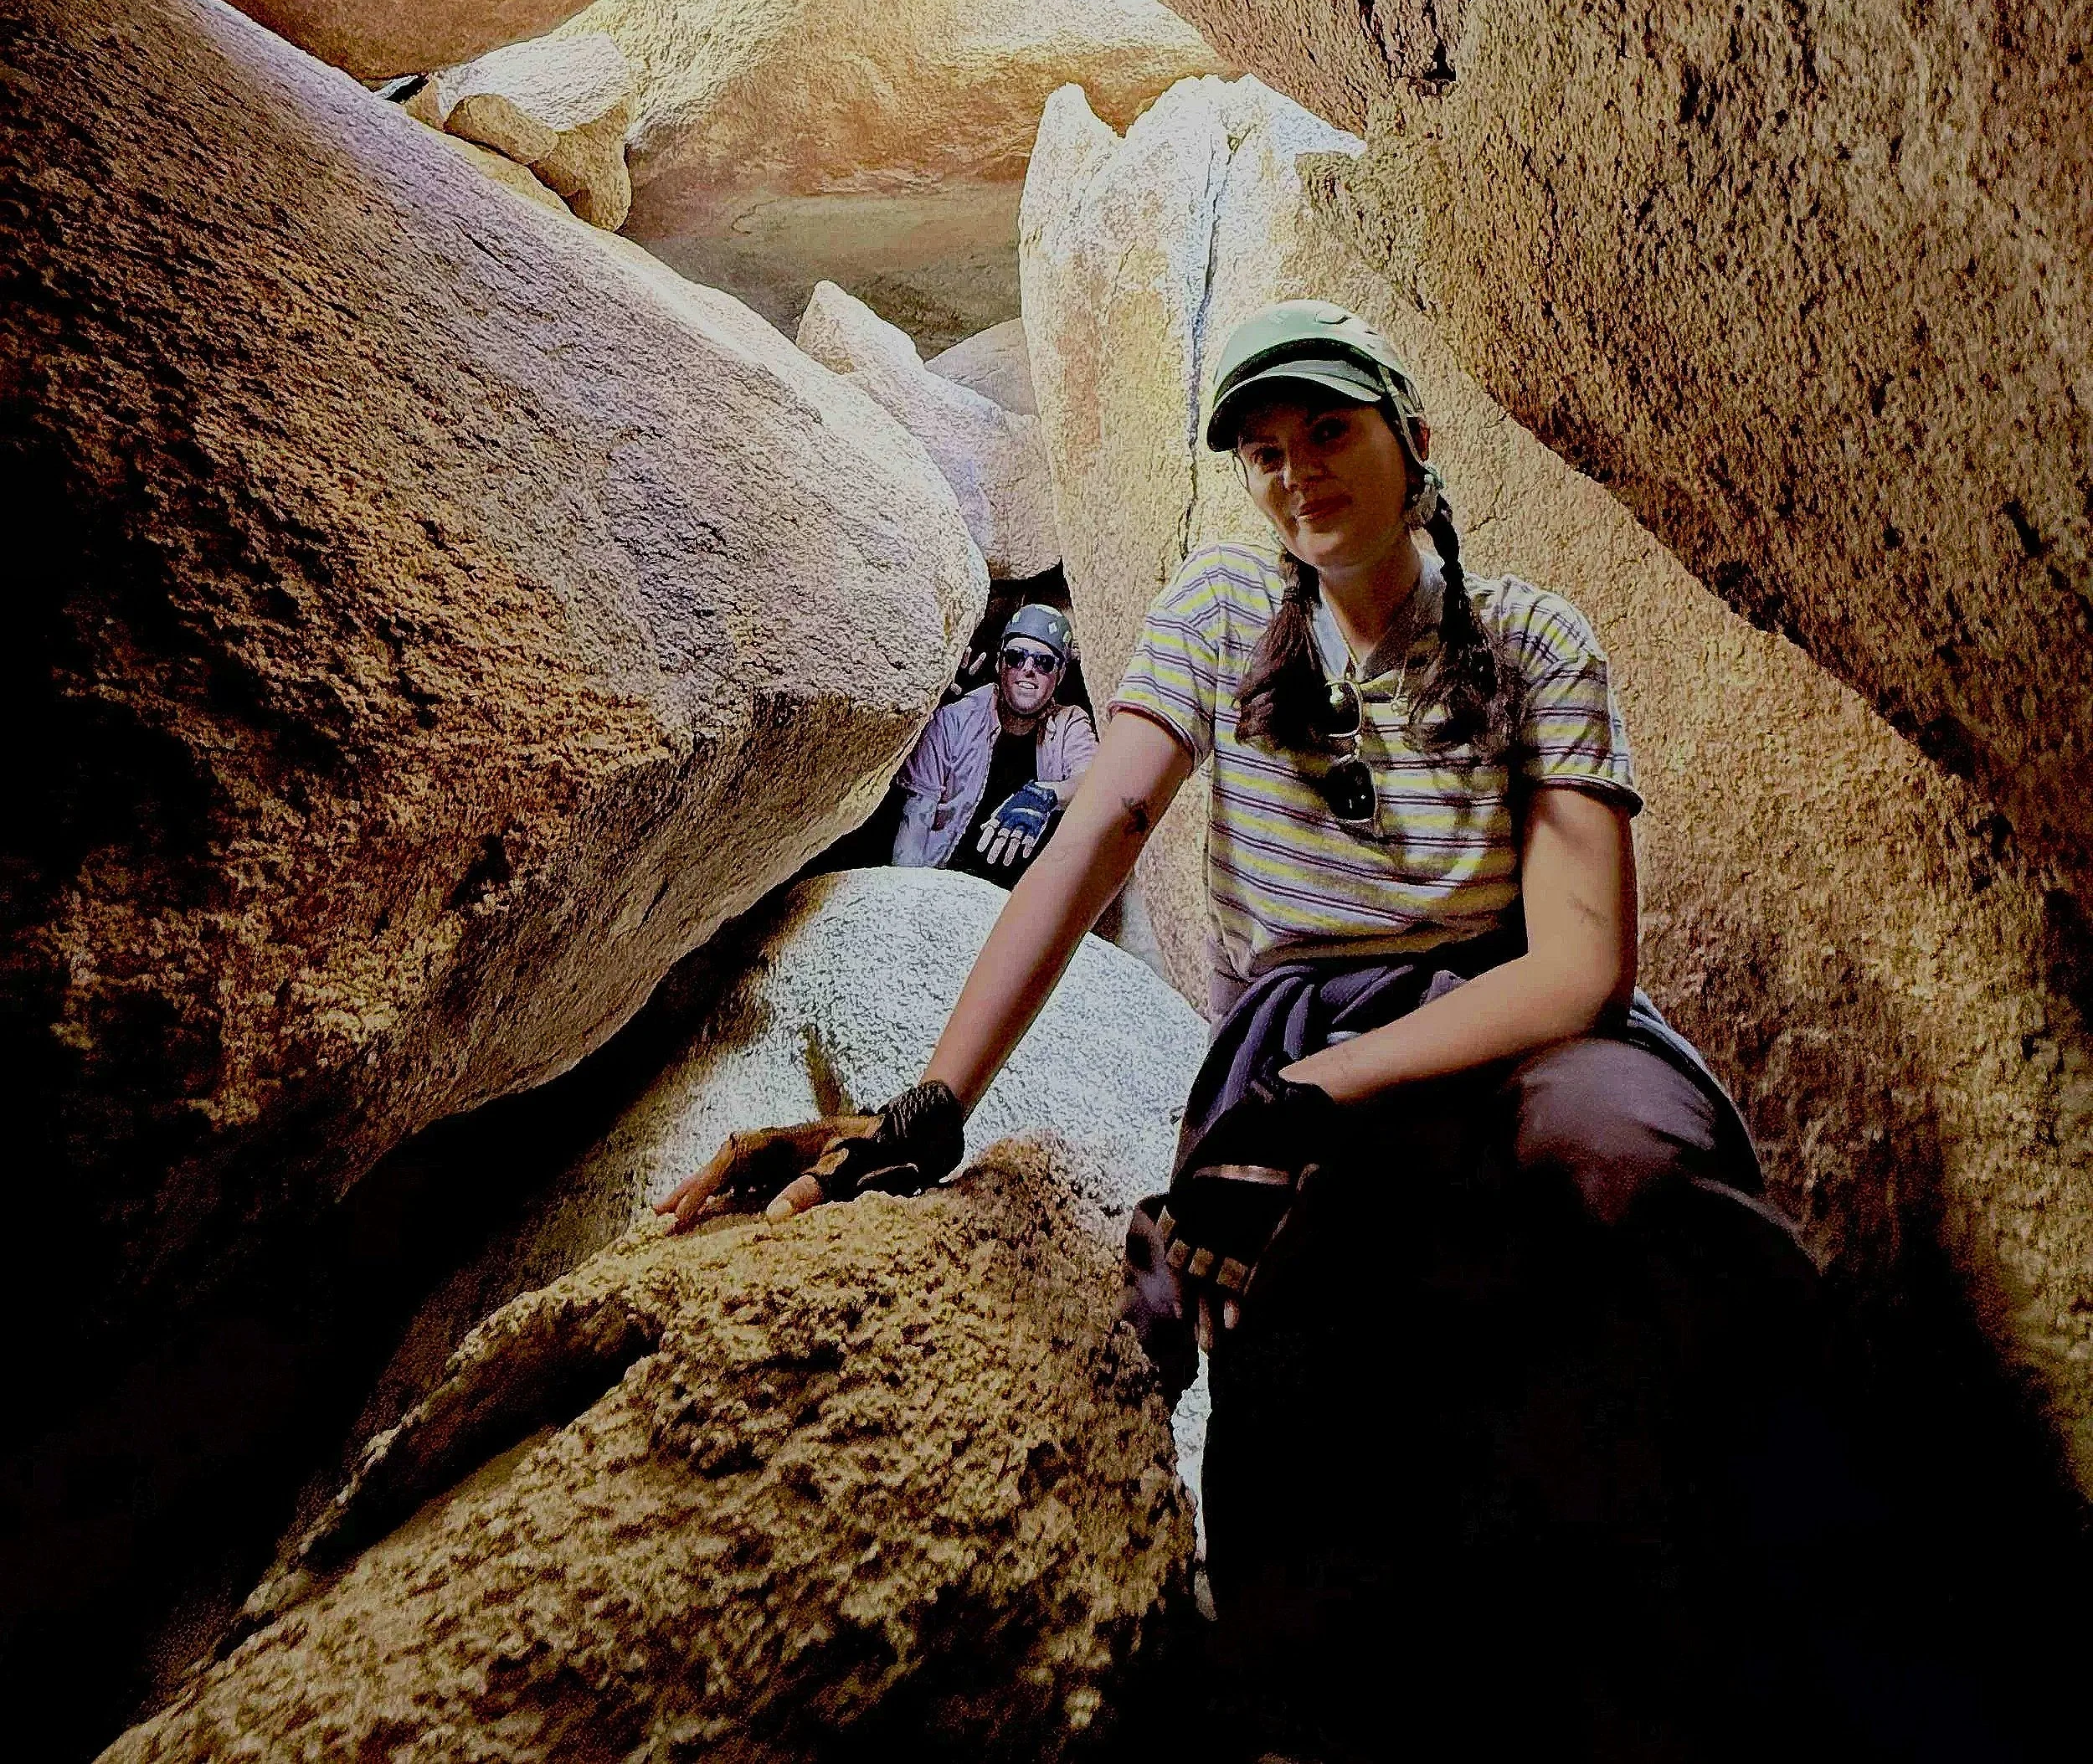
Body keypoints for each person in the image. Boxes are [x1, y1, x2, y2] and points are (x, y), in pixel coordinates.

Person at [655, 301, 1842, 1753]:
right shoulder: (1224, 612)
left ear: (1415, 438)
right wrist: (933, 1103)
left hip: (1517, 1011)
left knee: (1624, 1170)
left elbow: (1581, 960)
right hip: (1305, 1021)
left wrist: (1314, 1093)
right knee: (1307, 1333)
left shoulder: (1533, 637)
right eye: (1265, 451)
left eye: (1328, 430)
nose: (1297, 472)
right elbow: (1096, 832)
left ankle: (1808, 1608)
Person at [889, 601, 1098, 888]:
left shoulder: (1069, 724)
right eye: (1016, 658)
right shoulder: (955, 719)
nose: (1027, 670)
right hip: (943, 881)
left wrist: (1045, 795)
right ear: (1000, 664)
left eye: (1044, 662)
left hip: (1022, 900)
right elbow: (915, 820)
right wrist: (905, 895)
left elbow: (1092, 781)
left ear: (1060, 674)